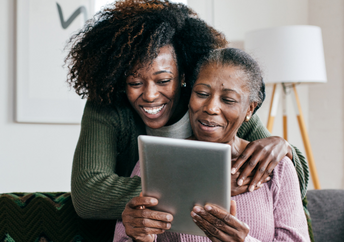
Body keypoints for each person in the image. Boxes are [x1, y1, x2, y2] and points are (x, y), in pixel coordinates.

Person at [66, 0, 308, 221]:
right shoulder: (108, 105)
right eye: (135, 83)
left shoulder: (212, 107)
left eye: (163, 81)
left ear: (184, 76)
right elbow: (88, 195)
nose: (150, 95)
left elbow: (294, 183)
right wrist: (205, 185)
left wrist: (284, 148)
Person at [114, 48, 310, 242]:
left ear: (250, 109)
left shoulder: (279, 169)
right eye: (202, 93)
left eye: (228, 100)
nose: (211, 107)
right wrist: (139, 240)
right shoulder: (155, 160)